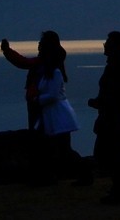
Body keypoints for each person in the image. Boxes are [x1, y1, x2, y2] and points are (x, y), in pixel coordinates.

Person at [88, 30, 120, 204]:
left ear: (115, 47)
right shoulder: (115, 66)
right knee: (110, 154)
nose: (105, 45)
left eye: (108, 43)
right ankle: (119, 188)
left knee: (111, 154)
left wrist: (103, 102)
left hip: (115, 117)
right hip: (112, 115)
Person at [1, 31, 69, 131]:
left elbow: (23, 62)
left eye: (41, 42)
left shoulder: (44, 63)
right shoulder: (52, 61)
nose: (38, 44)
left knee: (38, 130)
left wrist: (7, 50)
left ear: (46, 45)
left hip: (39, 102)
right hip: (40, 102)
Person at [36, 38, 80, 182]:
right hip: (53, 115)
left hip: (59, 115)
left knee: (63, 148)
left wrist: (37, 100)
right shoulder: (49, 73)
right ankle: (56, 175)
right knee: (59, 147)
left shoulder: (55, 73)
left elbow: (54, 95)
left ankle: (82, 173)